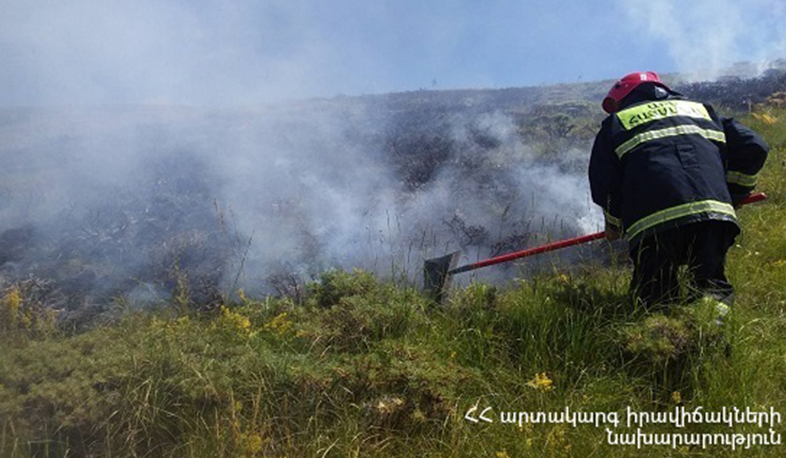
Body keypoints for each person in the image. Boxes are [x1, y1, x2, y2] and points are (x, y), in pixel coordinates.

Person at [588, 71, 768, 318]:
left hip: (654, 223)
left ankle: (664, 346)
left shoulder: (617, 122)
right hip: (713, 216)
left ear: (623, 96)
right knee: (710, 288)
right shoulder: (702, 111)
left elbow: (604, 183)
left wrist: (614, 224)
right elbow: (754, 146)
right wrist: (734, 193)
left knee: (655, 296)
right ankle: (710, 338)